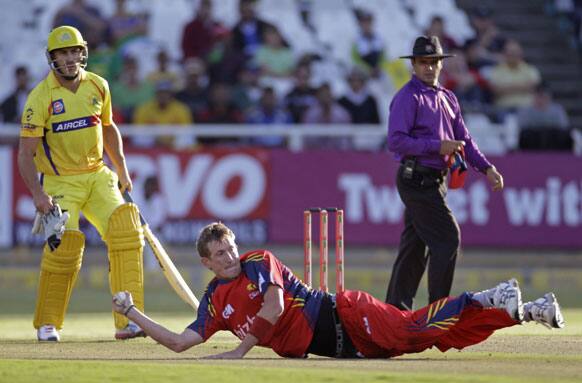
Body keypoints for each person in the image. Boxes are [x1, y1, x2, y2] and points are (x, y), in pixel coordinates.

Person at [112, 222, 565, 359]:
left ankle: (484, 298)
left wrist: (240, 350)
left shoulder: (257, 262)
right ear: (206, 263)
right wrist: (133, 312)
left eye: (231, 247)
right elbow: (178, 343)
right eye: (221, 254)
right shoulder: (213, 301)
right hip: (344, 348)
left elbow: (272, 305)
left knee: (411, 330)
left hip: (341, 315)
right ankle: (524, 312)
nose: (231, 256)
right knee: (437, 338)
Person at [18, 26, 146, 342]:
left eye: (75, 51)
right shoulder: (40, 97)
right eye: (63, 53)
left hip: (98, 174)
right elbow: (25, 153)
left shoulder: (98, 86)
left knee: (126, 232)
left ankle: (129, 320)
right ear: (52, 58)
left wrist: (122, 169)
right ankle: (48, 324)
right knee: (66, 246)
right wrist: (38, 194)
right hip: (61, 181)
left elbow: (109, 128)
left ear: (83, 52)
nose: (71, 58)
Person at [385, 36, 505, 311]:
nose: (429, 68)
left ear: (441, 65)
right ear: (413, 64)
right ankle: (437, 312)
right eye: (423, 62)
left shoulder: (448, 97)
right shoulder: (407, 97)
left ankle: (395, 309)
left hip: (435, 180)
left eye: (434, 62)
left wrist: (487, 168)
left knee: (415, 247)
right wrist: (438, 146)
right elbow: (396, 141)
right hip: (415, 179)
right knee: (448, 238)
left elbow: (465, 139)